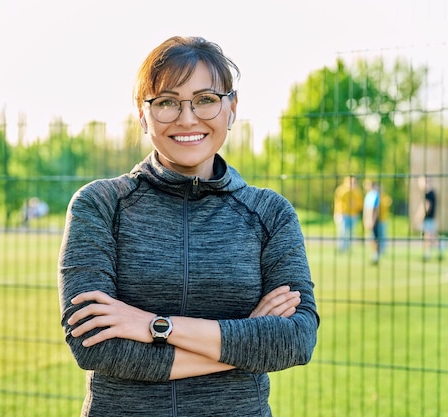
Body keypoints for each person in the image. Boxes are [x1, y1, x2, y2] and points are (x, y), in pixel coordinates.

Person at [58, 36, 319, 417]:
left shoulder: (271, 213)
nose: (187, 117)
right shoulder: (100, 204)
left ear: (231, 108)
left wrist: (153, 325)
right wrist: (246, 340)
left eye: (206, 99)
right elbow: (93, 343)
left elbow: (296, 339)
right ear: (143, 115)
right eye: (166, 101)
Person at [363, 180, 392, 264]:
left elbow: (374, 209)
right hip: (370, 219)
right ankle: (376, 254)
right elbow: (367, 209)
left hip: (374, 220)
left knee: (375, 238)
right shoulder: (369, 195)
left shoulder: (375, 195)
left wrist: (371, 220)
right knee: (372, 238)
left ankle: (376, 255)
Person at [333, 175, 364, 252]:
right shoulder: (341, 190)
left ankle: (348, 248)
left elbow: (361, 203)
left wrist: (355, 205)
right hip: (343, 214)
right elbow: (338, 203)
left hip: (353, 214)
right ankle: (341, 248)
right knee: (342, 232)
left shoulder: (357, 192)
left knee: (351, 233)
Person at [418, 176, 442, 261]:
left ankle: (428, 254)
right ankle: (439, 250)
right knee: (432, 237)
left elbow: (427, 206)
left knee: (428, 237)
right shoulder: (432, 193)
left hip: (428, 219)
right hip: (431, 219)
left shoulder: (428, 194)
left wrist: (420, 217)